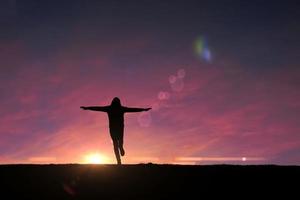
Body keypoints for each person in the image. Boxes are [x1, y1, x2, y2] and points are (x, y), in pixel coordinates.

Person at [80, 97, 151, 165]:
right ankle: (119, 155)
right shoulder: (119, 108)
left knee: (116, 144)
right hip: (117, 129)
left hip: (114, 129)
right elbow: (132, 109)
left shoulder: (111, 108)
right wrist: (143, 109)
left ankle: (120, 153)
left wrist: (87, 108)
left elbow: (98, 108)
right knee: (117, 143)